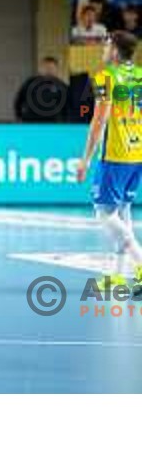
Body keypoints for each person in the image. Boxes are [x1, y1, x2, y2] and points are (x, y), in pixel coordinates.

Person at [76, 31, 142, 287]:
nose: (103, 50)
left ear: (114, 49)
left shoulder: (105, 77)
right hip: (138, 153)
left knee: (104, 214)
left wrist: (85, 159)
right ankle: (118, 275)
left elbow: (98, 121)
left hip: (116, 154)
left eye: (105, 45)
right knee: (123, 210)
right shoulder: (140, 75)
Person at [13, 56, 68, 122]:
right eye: (46, 68)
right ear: (41, 69)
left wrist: (65, 121)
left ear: (56, 70)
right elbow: (19, 100)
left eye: (51, 68)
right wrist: (19, 116)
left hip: (53, 123)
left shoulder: (62, 86)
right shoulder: (30, 83)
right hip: (31, 121)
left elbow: (67, 107)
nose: (49, 71)